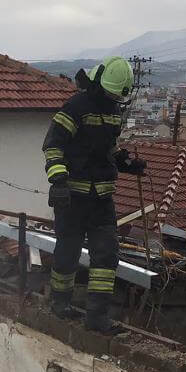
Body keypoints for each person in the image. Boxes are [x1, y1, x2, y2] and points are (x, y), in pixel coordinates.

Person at [41, 56, 146, 333]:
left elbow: (107, 147)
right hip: (72, 198)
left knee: (106, 257)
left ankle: (97, 317)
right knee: (67, 253)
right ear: (99, 84)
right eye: (110, 94)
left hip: (101, 199)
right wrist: (59, 181)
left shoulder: (112, 111)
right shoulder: (76, 107)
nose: (113, 100)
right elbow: (53, 146)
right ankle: (60, 303)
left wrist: (125, 162)